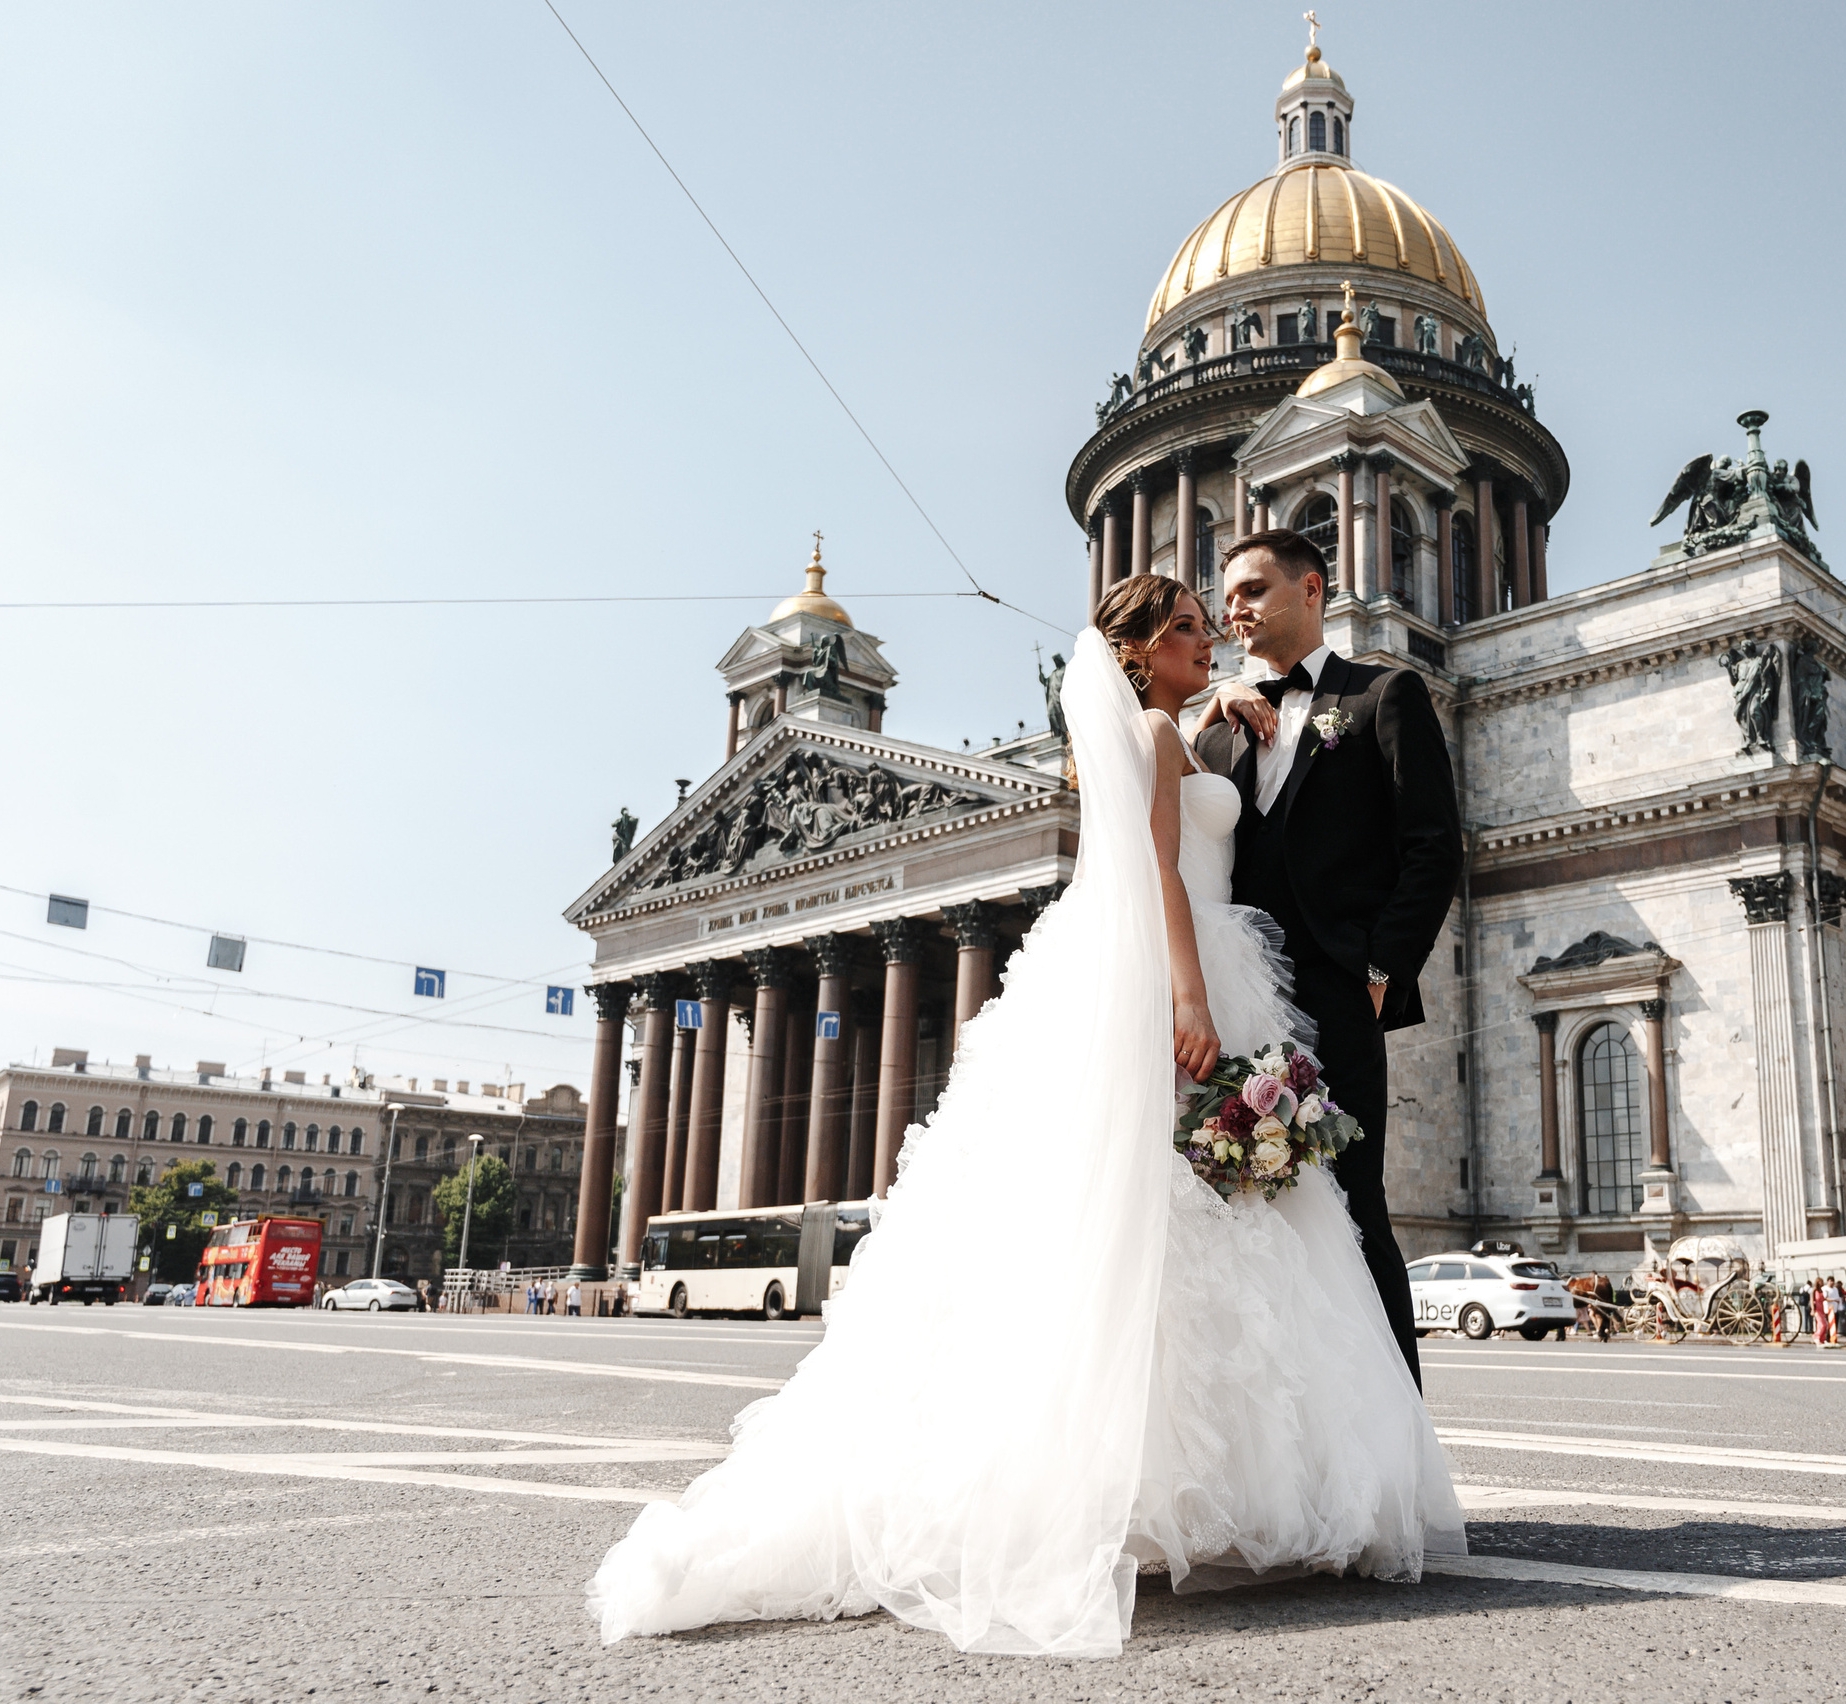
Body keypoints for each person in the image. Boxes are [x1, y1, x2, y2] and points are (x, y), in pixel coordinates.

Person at [586, 576, 1463, 1657]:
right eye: (1192, 622)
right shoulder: (1155, 727)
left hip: (1208, 975)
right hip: (1182, 978)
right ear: (1142, 654)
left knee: (1182, 1230)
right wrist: (1190, 992)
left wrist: (1213, 713)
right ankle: (1221, 1489)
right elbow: (1156, 865)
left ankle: (1174, 1488)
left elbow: (1207, 805)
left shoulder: (1198, 721)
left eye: (1226, 606)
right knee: (1177, 1228)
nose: (1216, 632)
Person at [1192, 529, 1466, 1383]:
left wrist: (1382, 973)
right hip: (1244, 1001)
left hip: (1343, 993)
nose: (1232, 608)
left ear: (1311, 589)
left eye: (1251, 589)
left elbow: (1433, 847)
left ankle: (1400, 1444)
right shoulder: (1221, 731)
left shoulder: (1386, 694)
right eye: (1226, 595)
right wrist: (1206, 712)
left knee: (1355, 1207)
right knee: (1251, 1212)